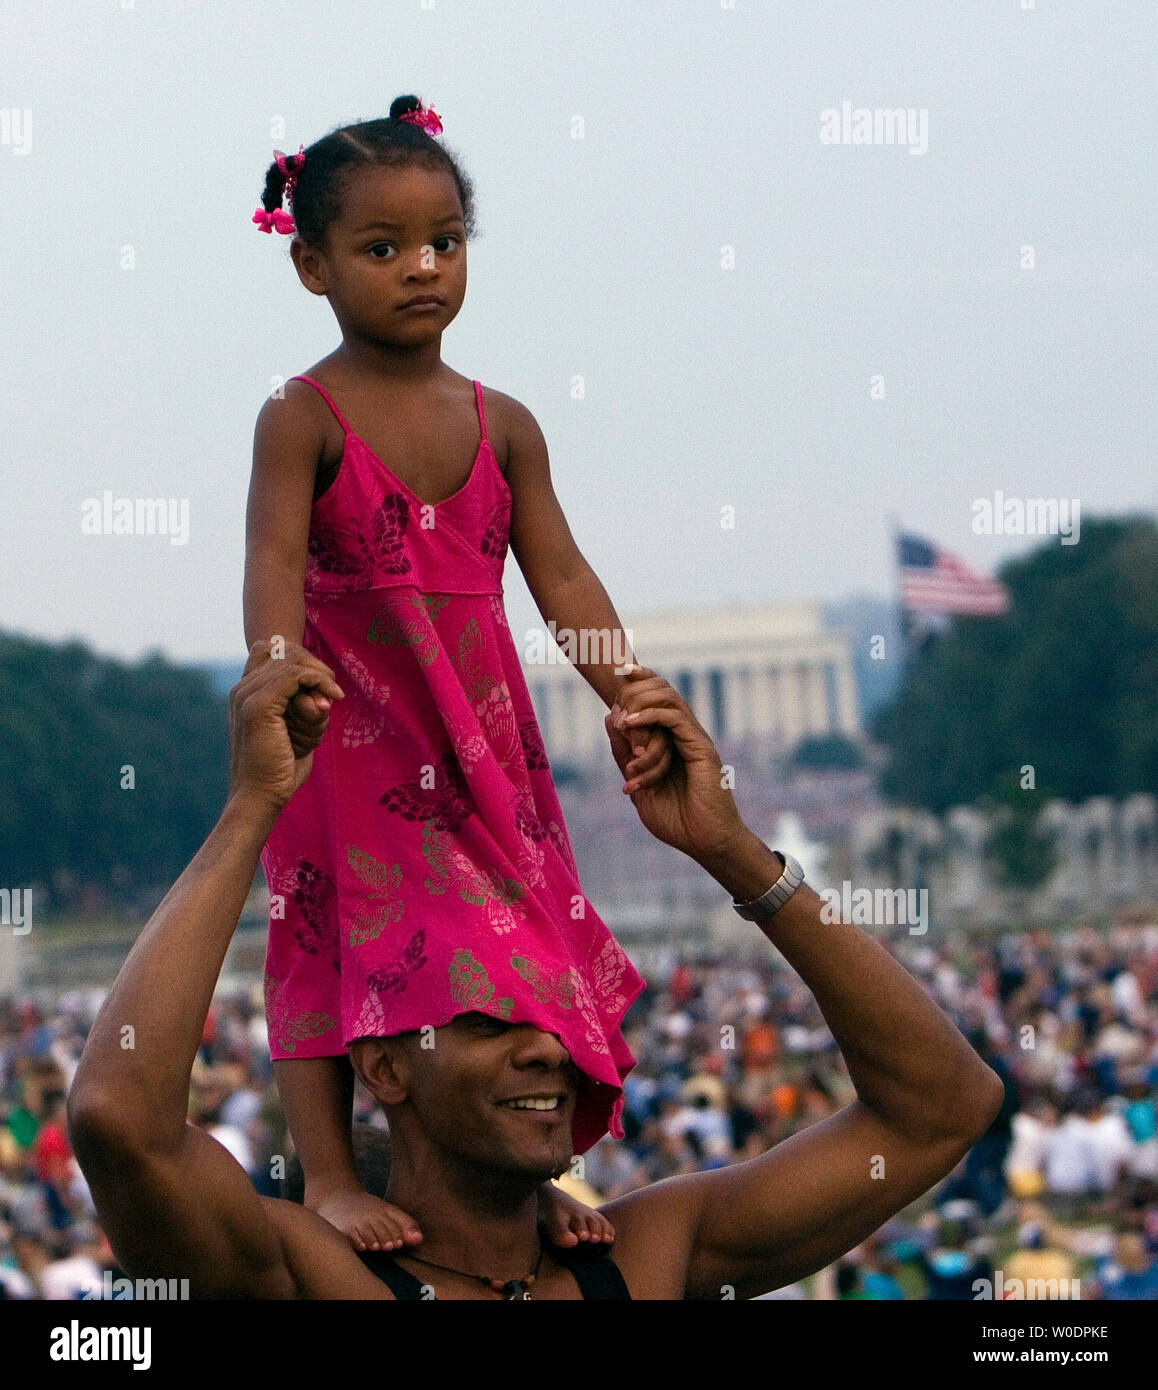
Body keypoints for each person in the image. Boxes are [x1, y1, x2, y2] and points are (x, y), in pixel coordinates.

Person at [67, 652, 1004, 1299]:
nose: (548, 1049)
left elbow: (941, 1106)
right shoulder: (305, 1276)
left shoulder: (644, 1261)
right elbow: (118, 1121)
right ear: (386, 1064)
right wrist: (252, 813)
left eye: (564, 1016)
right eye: (491, 1020)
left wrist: (735, 853)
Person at [244, 93, 670, 1256]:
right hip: (351, 733)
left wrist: (630, 691)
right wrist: (276, 674)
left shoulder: (506, 422)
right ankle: (328, 1174)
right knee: (327, 939)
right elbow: (274, 559)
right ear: (312, 268)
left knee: (525, 957)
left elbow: (565, 580)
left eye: (444, 241)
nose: (422, 267)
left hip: (484, 740)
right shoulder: (302, 413)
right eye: (383, 249)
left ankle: (531, 1182)